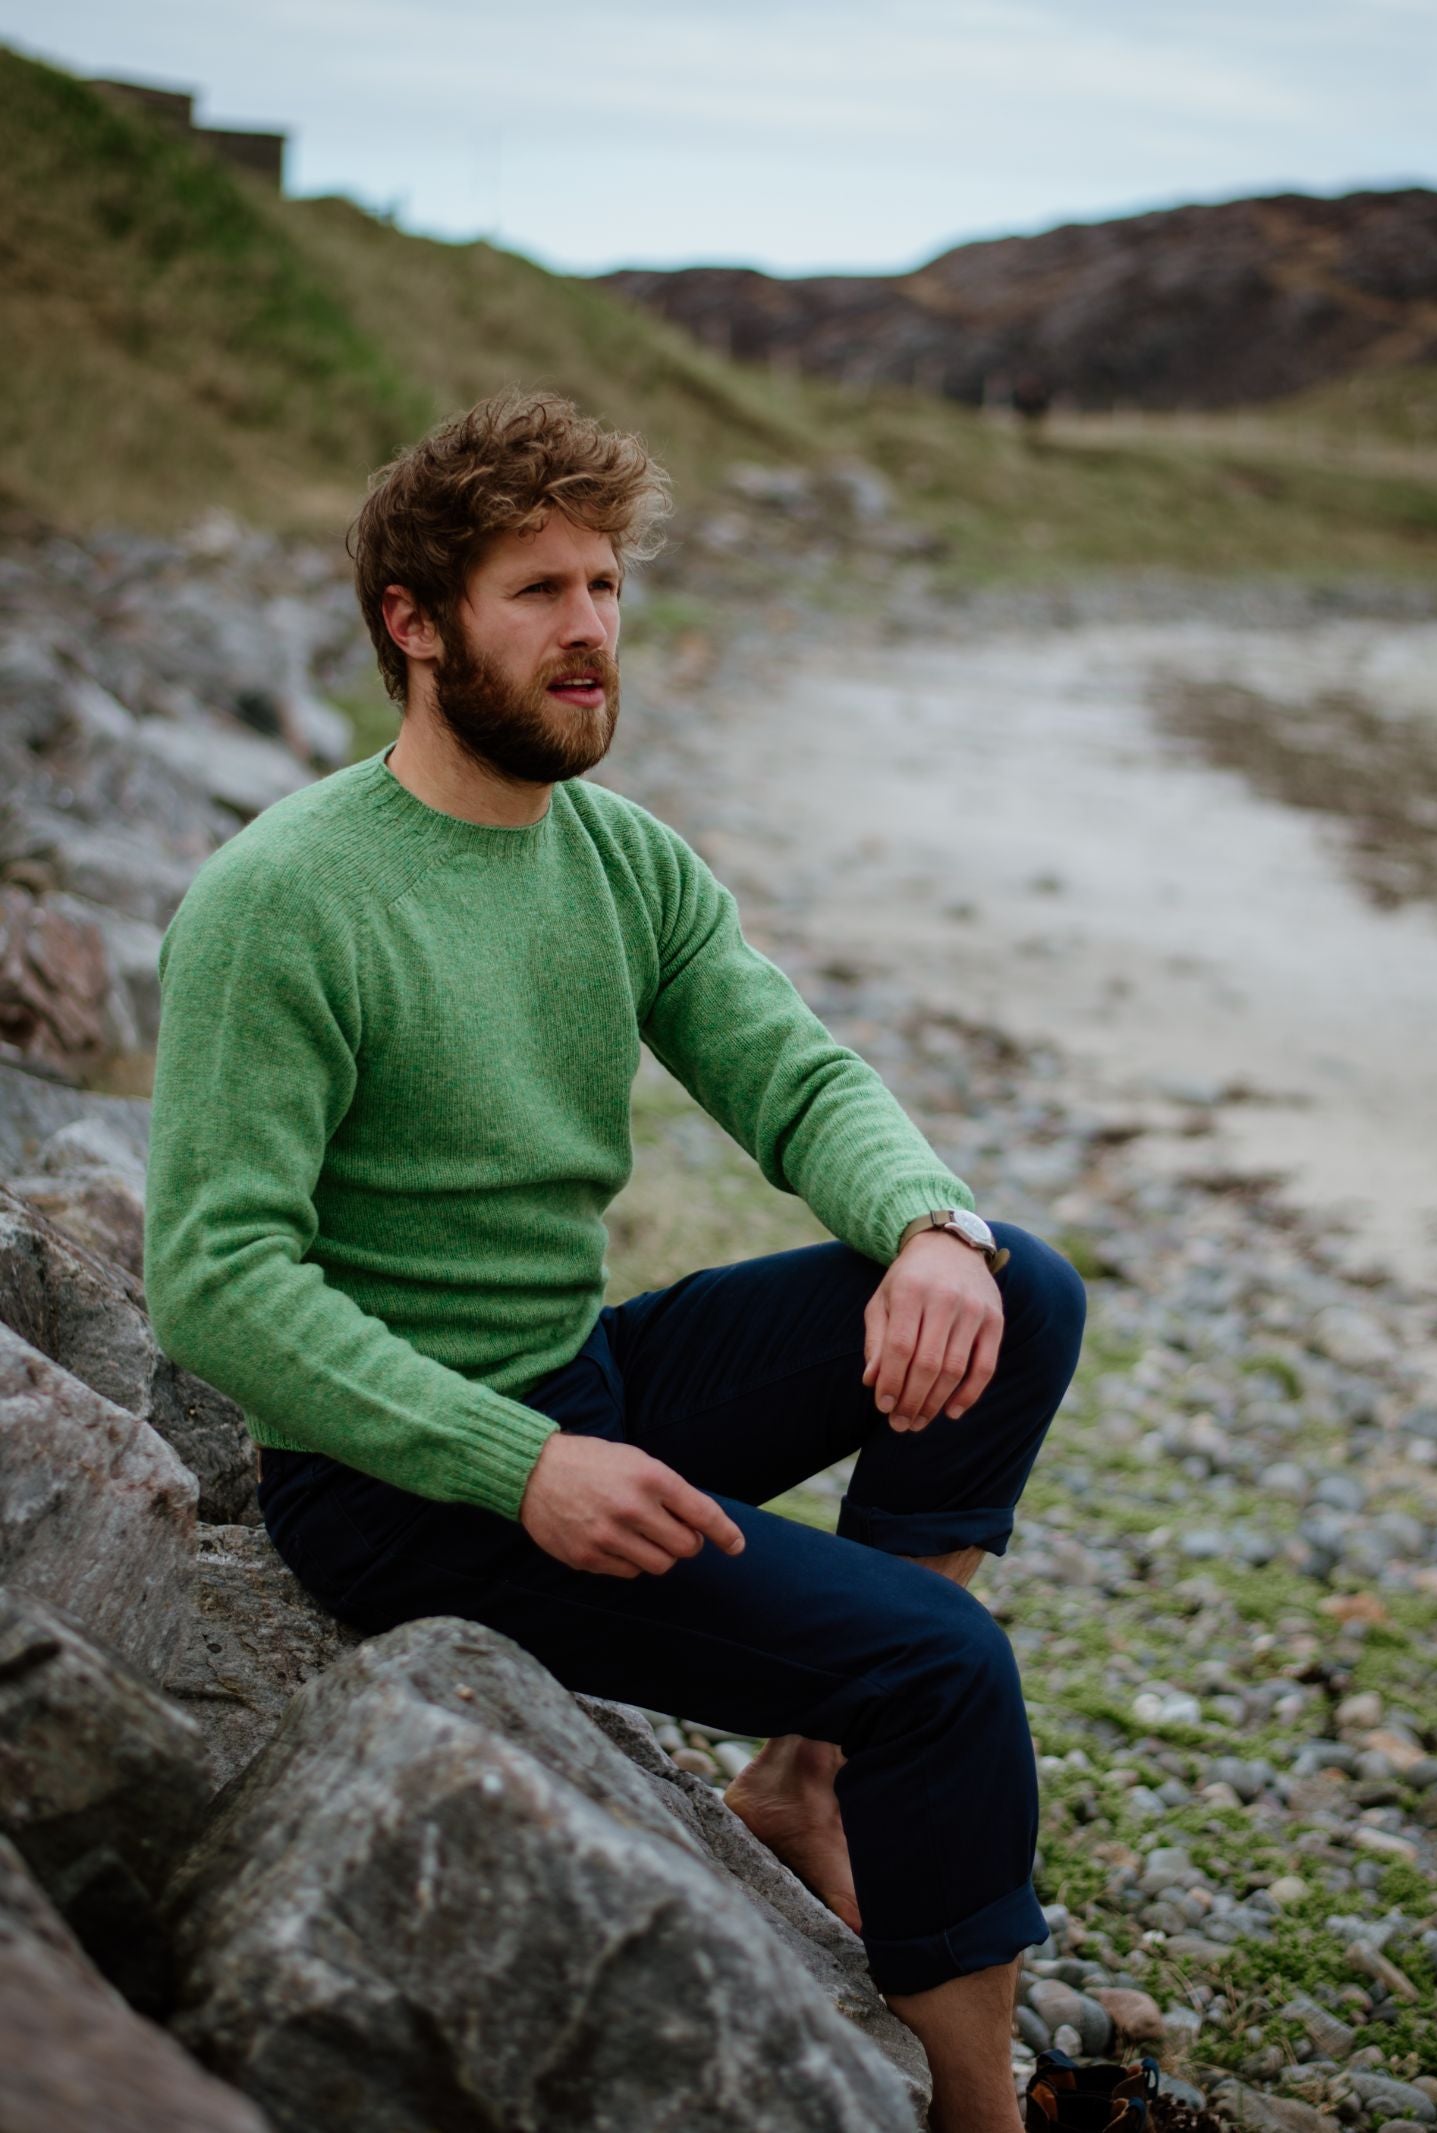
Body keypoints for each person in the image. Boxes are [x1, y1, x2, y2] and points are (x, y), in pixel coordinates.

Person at [144, 389, 1086, 2133]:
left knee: (1017, 1286)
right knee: (945, 1670)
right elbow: (214, 1277)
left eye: (606, 585)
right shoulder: (284, 899)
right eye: (538, 591)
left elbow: (797, 1076)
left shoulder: (619, 858)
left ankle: (802, 1783)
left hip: (585, 1385)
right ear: (415, 624)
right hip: (400, 1487)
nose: (590, 629)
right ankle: (980, 2112)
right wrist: (521, 1465)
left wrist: (930, 1226)